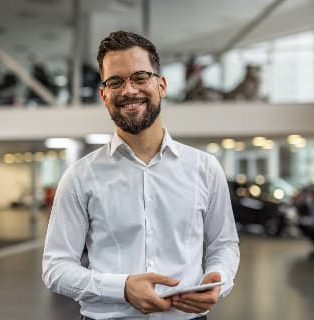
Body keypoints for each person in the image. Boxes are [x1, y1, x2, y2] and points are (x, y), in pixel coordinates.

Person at [42, 31, 240, 320]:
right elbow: (56, 267)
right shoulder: (80, 176)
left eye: (140, 77)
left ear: (161, 85)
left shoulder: (205, 168)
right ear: (103, 94)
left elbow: (224, 244)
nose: (129, 90)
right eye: (116, 81)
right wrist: (121, 288)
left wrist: (218, 279)